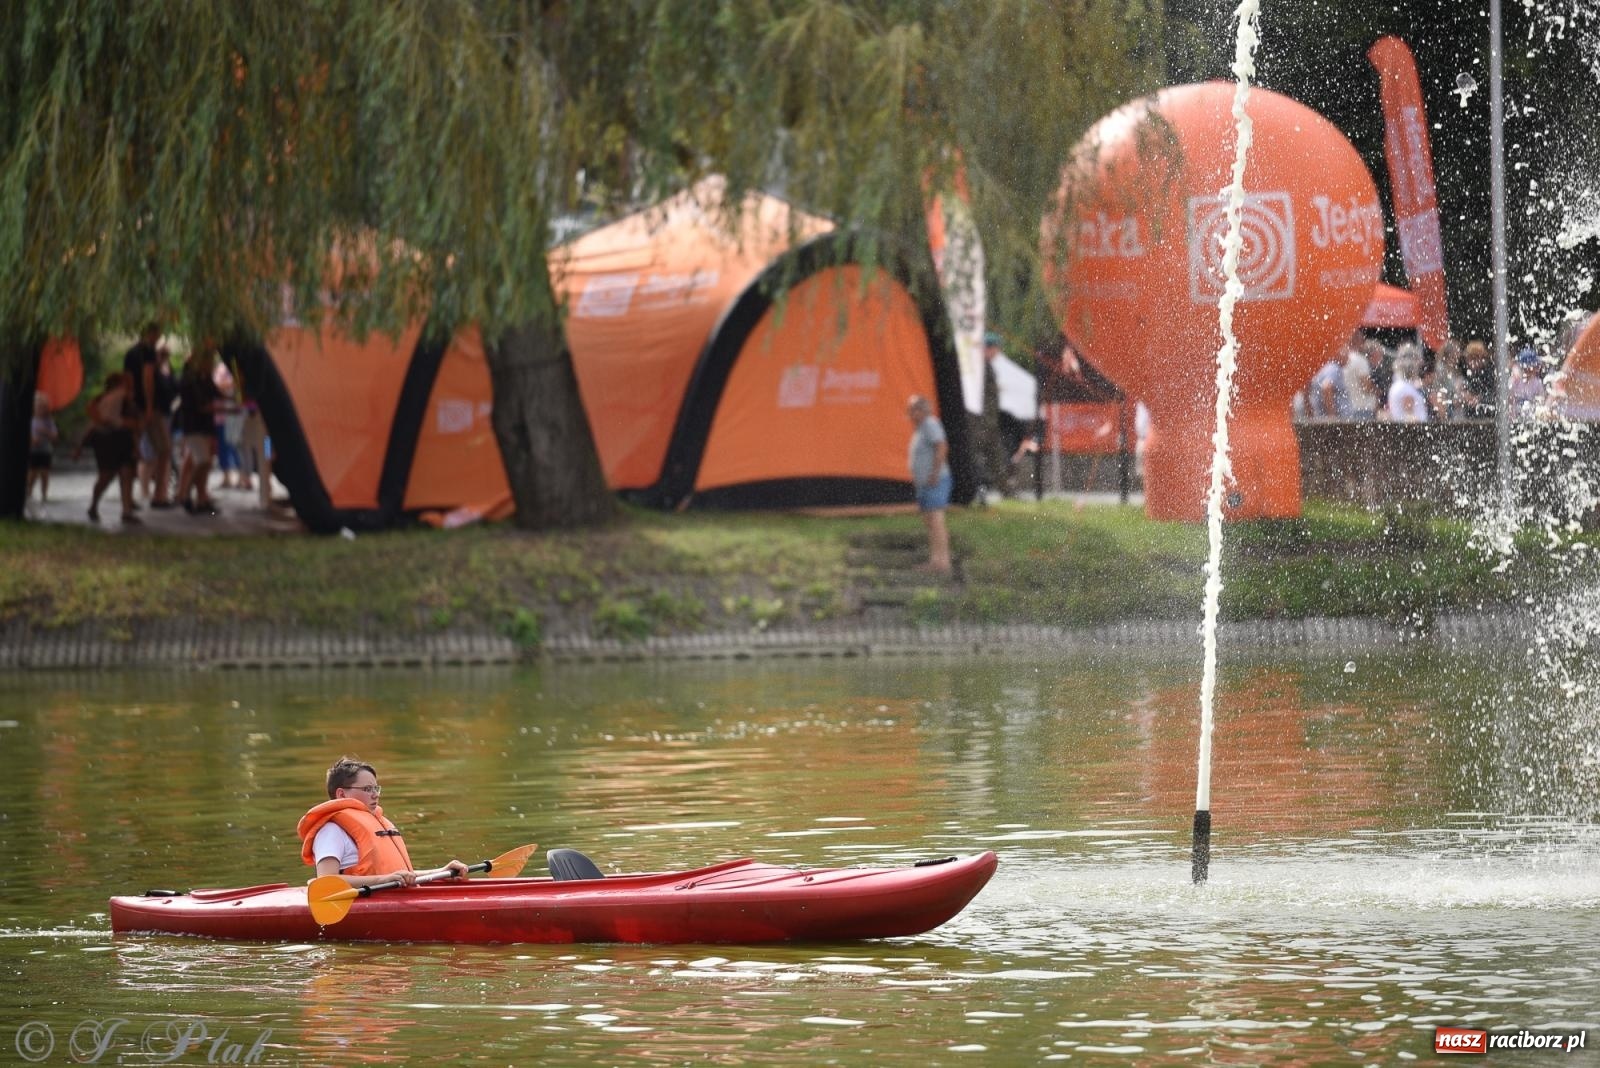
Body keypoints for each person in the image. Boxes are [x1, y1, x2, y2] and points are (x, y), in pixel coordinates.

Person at [297, 756, 468, 890]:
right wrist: (383, 880)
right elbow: (326, 882)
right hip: (360, 904)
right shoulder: (331, 831)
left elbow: (398, 876)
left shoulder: (378, 822)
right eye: (367, 789)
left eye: (376, 788)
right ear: (341, 794)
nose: (375, 795)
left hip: (394, 898)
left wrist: (442, 872)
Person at [73, 372, 140, 524]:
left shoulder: (120, 399)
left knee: (126, 473)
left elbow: (133, 424)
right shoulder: (113, 398)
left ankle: (126, 510)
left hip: (121, 438)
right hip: (108, 439)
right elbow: (98, 420)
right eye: (127, 382)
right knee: (107, 475)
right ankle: (95, 504)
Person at [123, 323, 175, 508]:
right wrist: (150, 406)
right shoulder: (148, 352)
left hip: (136, 406)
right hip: (150, 409)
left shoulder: (131, 353)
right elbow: (148, 378)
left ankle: (128, 498)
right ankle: (159, 495)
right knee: (165, 449)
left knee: (133, 452)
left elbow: (128, 380)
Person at [174, 345, 226, 516]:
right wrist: (229, 408)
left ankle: (201, 498)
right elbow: (202, 406)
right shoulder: (191, 380)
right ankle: (187, 494)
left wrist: (234, 399)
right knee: (202, 461)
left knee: (205, 462)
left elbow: (217, 394)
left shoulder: (205, 379)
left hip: (204, 426)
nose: (211, 364)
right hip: (193, 426)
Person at [906, 394, 952, 574]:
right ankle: (935, 559)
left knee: (936, 519)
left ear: (921, 410)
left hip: (935, 480)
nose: (909, 414)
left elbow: (941, 447)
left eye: (912, 410)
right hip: (926, 482)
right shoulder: (921, 428)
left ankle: (942, 561)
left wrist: (934, 473)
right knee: (930, 520)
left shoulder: (930, 424)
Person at [26, 391, 58, 507]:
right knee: (32, 474)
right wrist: (33, 440)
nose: (41, 410)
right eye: (39, 407)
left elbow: (54, 436)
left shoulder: (49, 422)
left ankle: (44, 494)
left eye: (43, 407)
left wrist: (45, 432)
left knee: (45, 473)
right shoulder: (30, 421)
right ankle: (29, 492)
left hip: (45, 451)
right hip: (34, 451)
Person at [1386, 344, 1429, 423]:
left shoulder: (1399, 385)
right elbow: (1410, 416)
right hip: (1414, 431)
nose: (1419, 367)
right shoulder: (1406, 388)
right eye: (1417, 363)